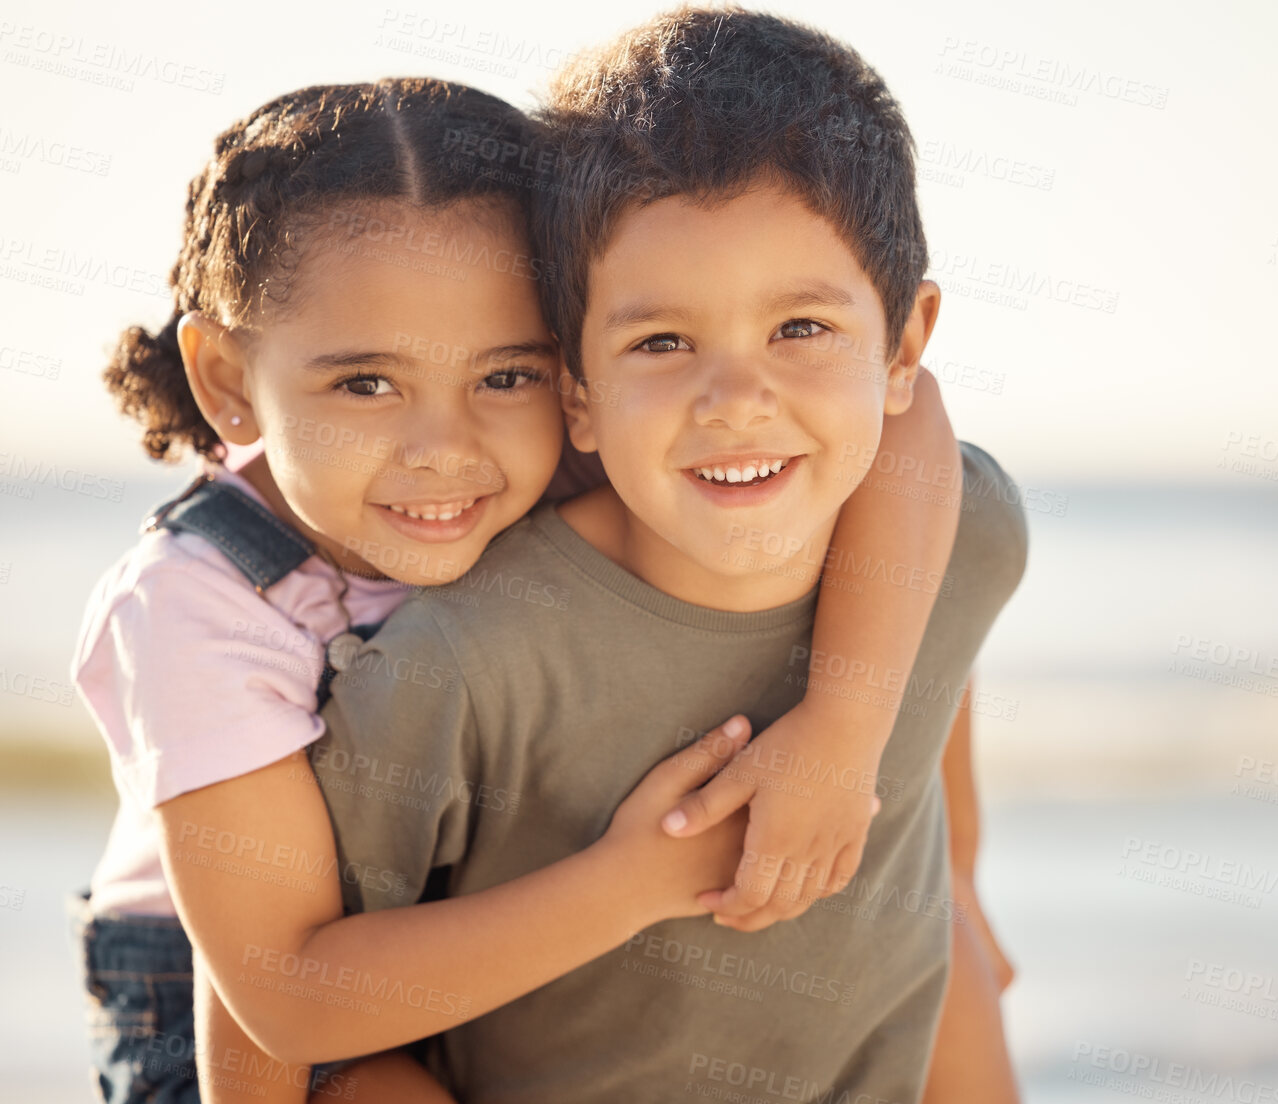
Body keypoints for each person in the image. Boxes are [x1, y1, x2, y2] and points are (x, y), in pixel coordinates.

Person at [70, 73, 968, 1103]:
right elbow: (284, 999)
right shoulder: (194, 609)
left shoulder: (566, 442)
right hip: (245, 1003)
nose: (446, 451)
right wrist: (642, 878)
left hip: (469, 930)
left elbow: (907, 419)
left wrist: (842, 730)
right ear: (229, 382)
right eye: (366, 384)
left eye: (506, 374)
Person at [312, 8, 1029, 1101]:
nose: (736, 401)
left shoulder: (963, 528)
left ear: (904, 345)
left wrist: (956, 884)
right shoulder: (460, 665)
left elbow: (943, 650)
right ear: (577, 391)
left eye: (800, 329)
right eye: (662, 342)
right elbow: (325, 1030)